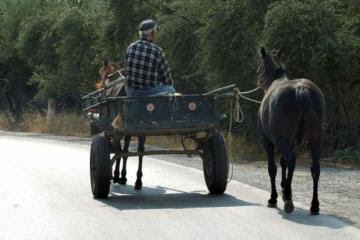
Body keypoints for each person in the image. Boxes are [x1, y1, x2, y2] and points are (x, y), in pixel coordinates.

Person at [125, 19, 176, 96]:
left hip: (131, 92)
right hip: (149, 92)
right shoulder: (158, 51)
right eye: (156, 32)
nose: (156, 35)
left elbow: (127, 71)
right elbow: (167, 80)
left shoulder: (130, 47)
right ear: (152, 33)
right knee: (171, 88)